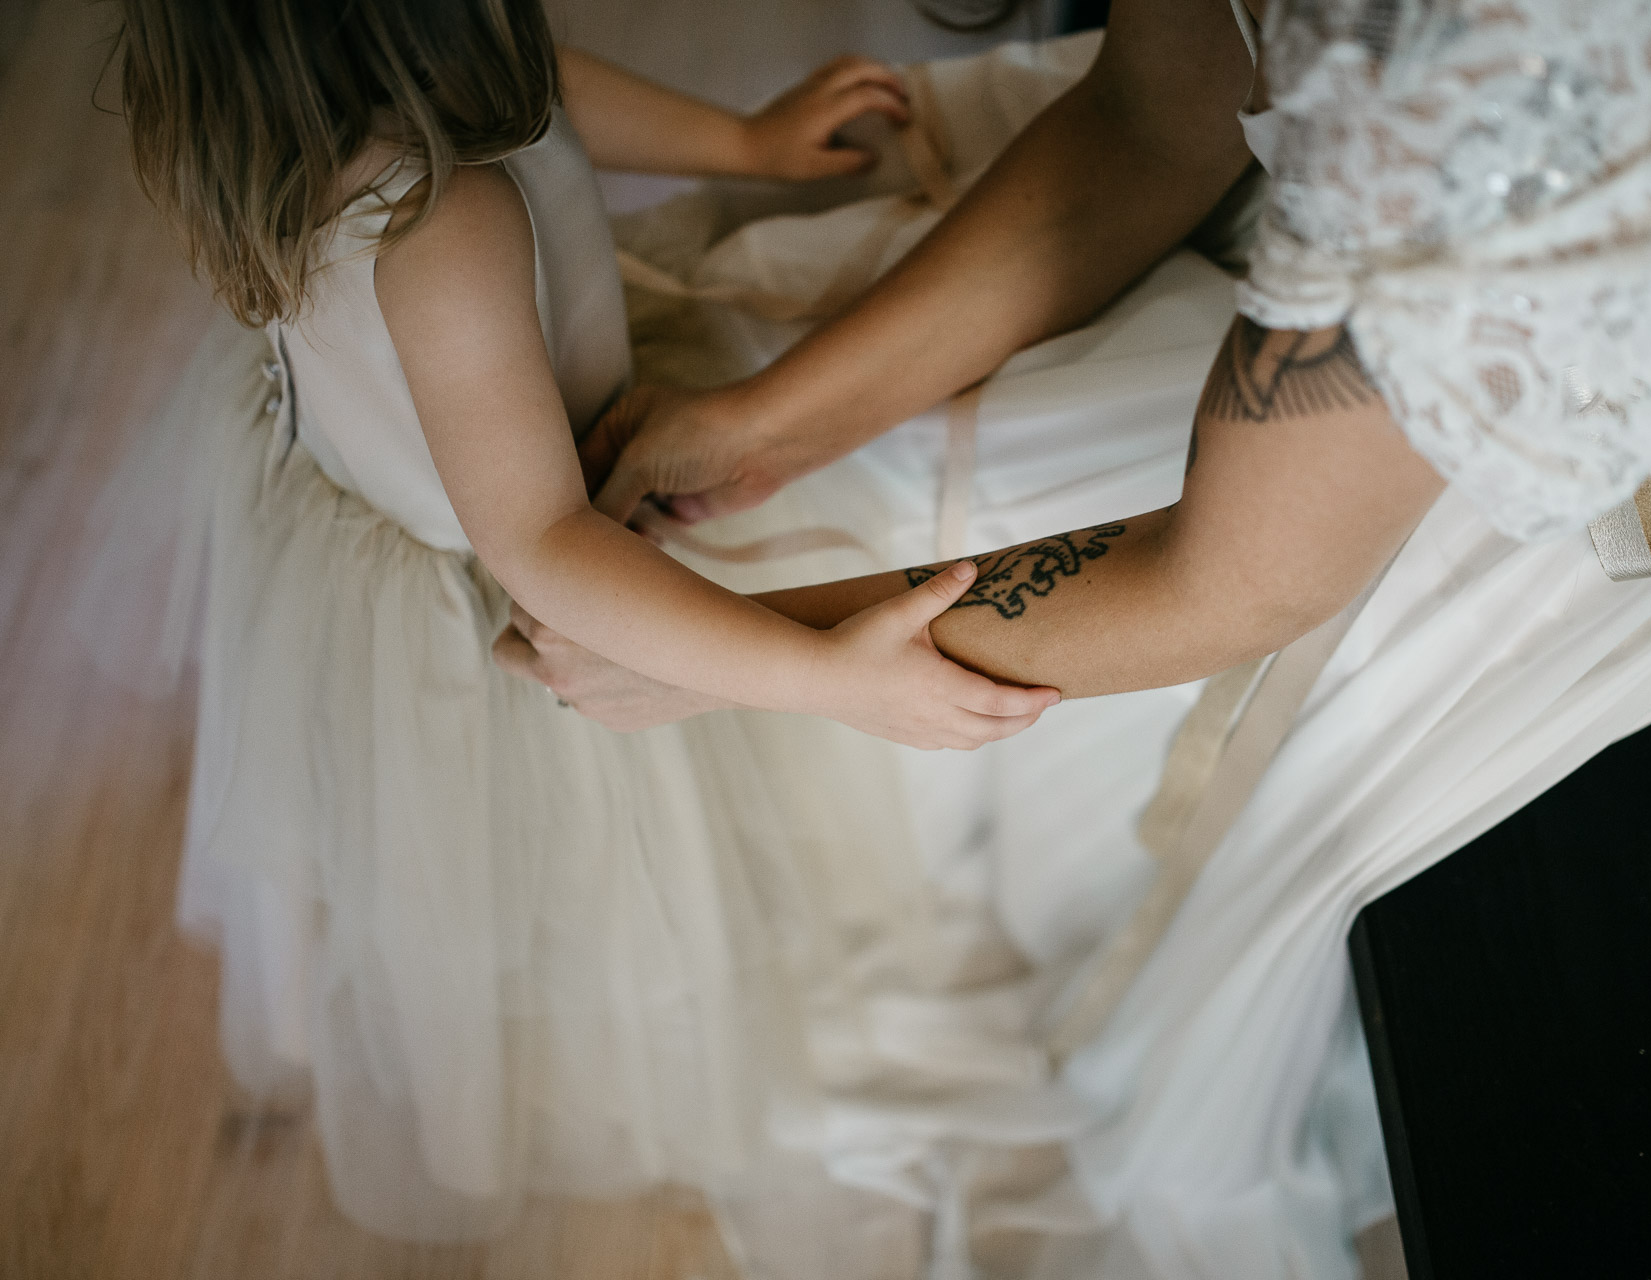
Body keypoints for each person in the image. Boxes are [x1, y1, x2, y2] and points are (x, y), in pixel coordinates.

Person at [504, 2, 1651, 1276]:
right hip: (1335, 326)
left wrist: (730, 649)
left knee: (1219, 884)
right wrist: (776, 425)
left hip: (1584, 445)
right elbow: (1154, 115)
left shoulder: (1517, 78)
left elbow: (1231, 585)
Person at [96, 0, 1063, 1242]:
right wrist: (828, 674)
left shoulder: (300, 108)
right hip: (521, 572)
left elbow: (538, 80)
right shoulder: (441, 221)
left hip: (445, 482)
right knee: (588, 876)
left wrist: (742, 142)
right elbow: (546, 542)